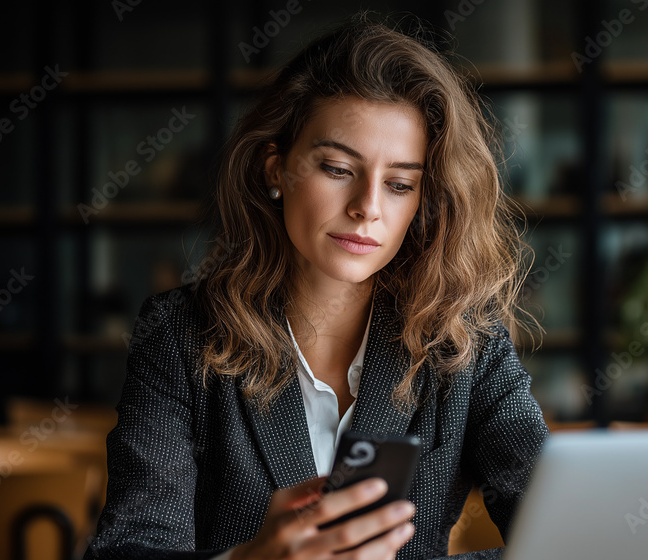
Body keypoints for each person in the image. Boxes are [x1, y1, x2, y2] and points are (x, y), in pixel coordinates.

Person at [84, 14, 550, 560]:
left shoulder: (466, 344)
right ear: (275, 170)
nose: (367, 208)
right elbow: (128, 549)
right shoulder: (179, 334)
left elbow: (570, 536)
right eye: (336, 168)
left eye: (400, 184)